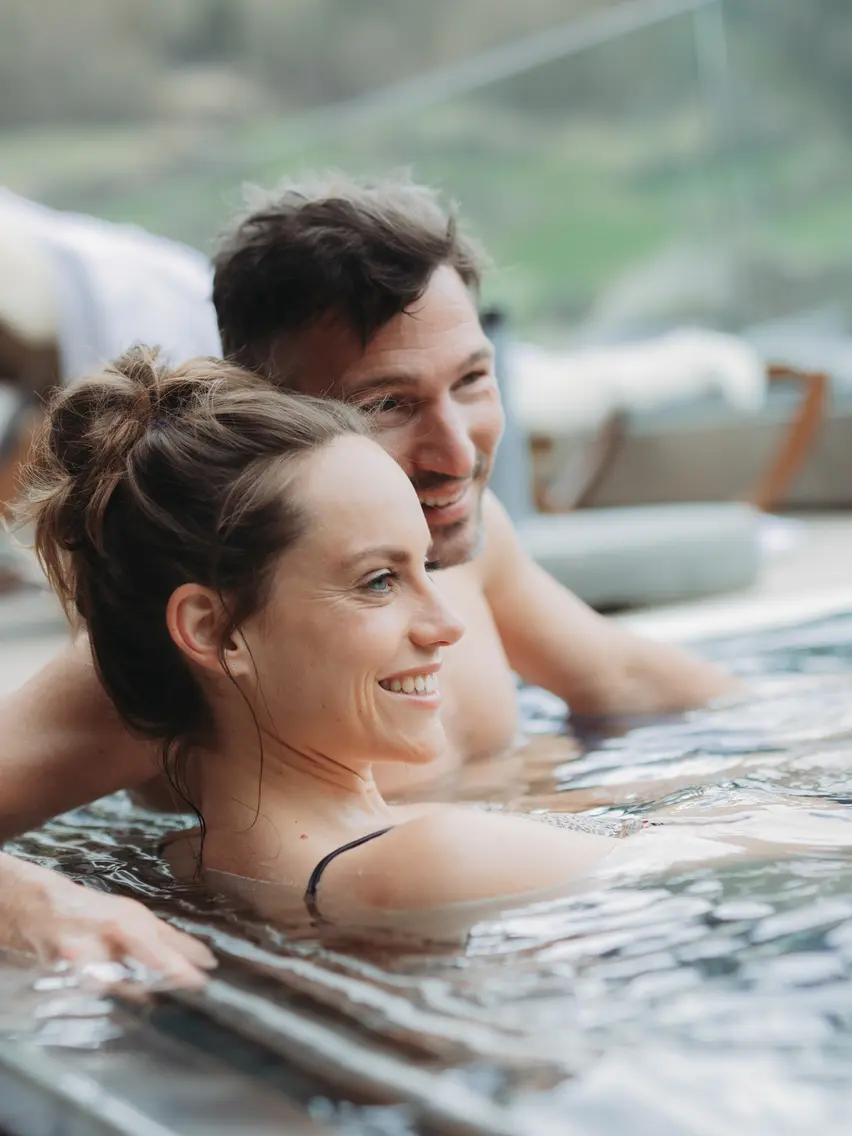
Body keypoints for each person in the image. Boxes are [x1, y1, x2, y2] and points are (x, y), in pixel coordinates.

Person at [0, 174, 736, 973]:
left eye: (472, 380)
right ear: (276, 418)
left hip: (511, 915)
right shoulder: (173, 660)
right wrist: (37, 901)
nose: (457, 455)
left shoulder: (469, 549)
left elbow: (627, 677)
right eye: (387, 405)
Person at [19, 349, 790, 935]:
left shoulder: (172, 869)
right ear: (213, 630)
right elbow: (789, 855)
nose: (445, 624)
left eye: (426, 565)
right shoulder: (437, 857)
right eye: (379, 582)